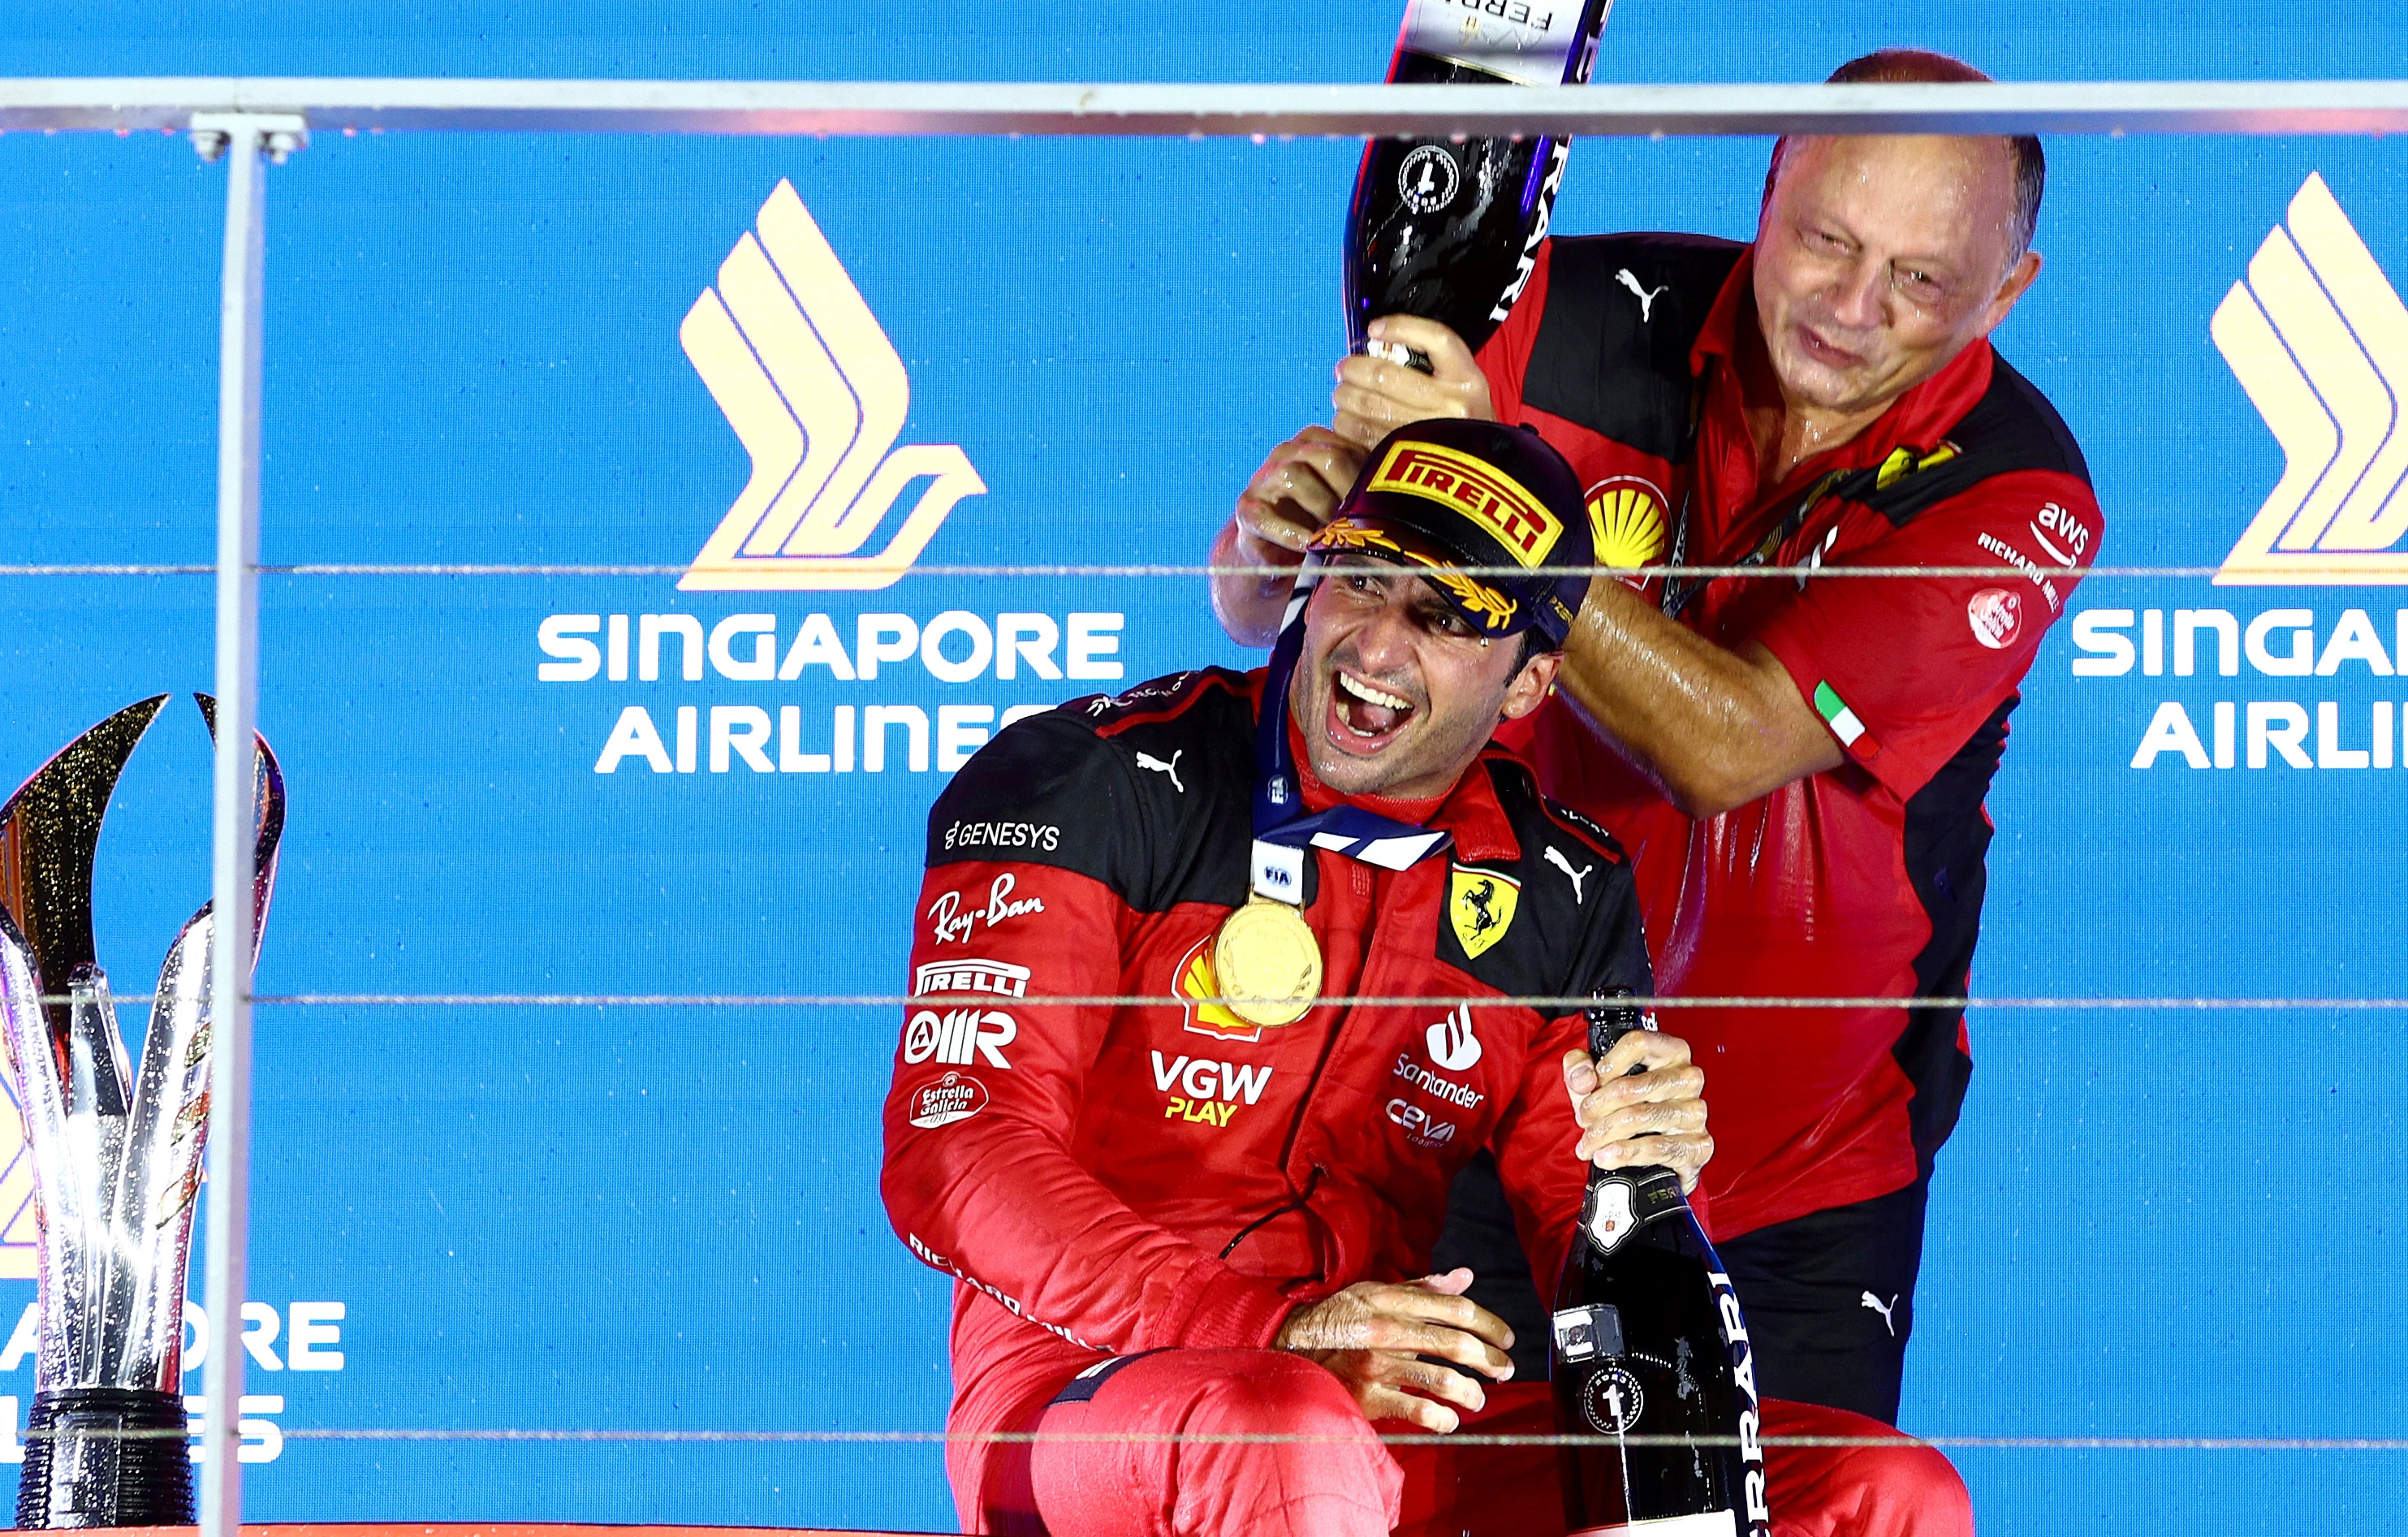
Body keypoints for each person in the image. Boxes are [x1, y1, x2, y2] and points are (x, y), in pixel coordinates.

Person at [1214, 49, 2103, 1427]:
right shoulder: (1565, 316)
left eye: (1923, 281)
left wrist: (1511, 515)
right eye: (1824, 242)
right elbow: (1312, 584)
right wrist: (1281, 534)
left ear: (2010, 291)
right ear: (1769, 191)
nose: (1853, 310)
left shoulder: (2016, 496)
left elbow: (1729, 748)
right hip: (1475, 1097)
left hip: (1797, 1181)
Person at [884, 417, 1971, 1537]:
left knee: (1884, 1497)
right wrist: (1274, 1332)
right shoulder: (1090, 779)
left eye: (1449, 616)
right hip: (1089, 1408)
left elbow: (1591, 1253)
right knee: (1288, 1436)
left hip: (1386, 1435)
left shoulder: (1562, 892)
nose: (1375, 647)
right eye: (1363, 579)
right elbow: (957, 1154)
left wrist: (1642, 1192)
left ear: (1528, 683)